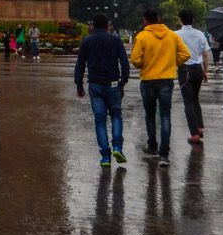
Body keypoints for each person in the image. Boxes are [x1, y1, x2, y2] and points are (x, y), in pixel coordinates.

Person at [130, 9, 190, 167]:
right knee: (165, 116)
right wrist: (172, 63)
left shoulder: (142, 36)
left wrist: (145, 64)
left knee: (150, 115)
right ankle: (164, 154)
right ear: (158, 19)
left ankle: (152, 146)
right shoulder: (172, 35)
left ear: (145, 20)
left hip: (148, 80)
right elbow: (185, 54)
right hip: (166, 80)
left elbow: (135, 60)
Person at [74, 13, 129, 167]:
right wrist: (123, 82)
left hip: (95, 84)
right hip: (113, 84)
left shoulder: (87, 41)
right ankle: (117, 147)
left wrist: (79, 84)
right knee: (116, 115)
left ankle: (105, 156)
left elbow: (80, 64)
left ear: (93, 26)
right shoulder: (115, 39)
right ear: (107, 26)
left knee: (100, 120)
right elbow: (124, 62)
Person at [175, 10, 210, 145]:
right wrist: (205, 71)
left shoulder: (176, 35)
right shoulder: (200, 34)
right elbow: (205, 55)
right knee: (195, 98)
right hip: (197, 69)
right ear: (193, 20)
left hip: (185, 70)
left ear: (180, 20)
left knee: (188, 102)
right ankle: (199, 127)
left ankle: (194, 134)